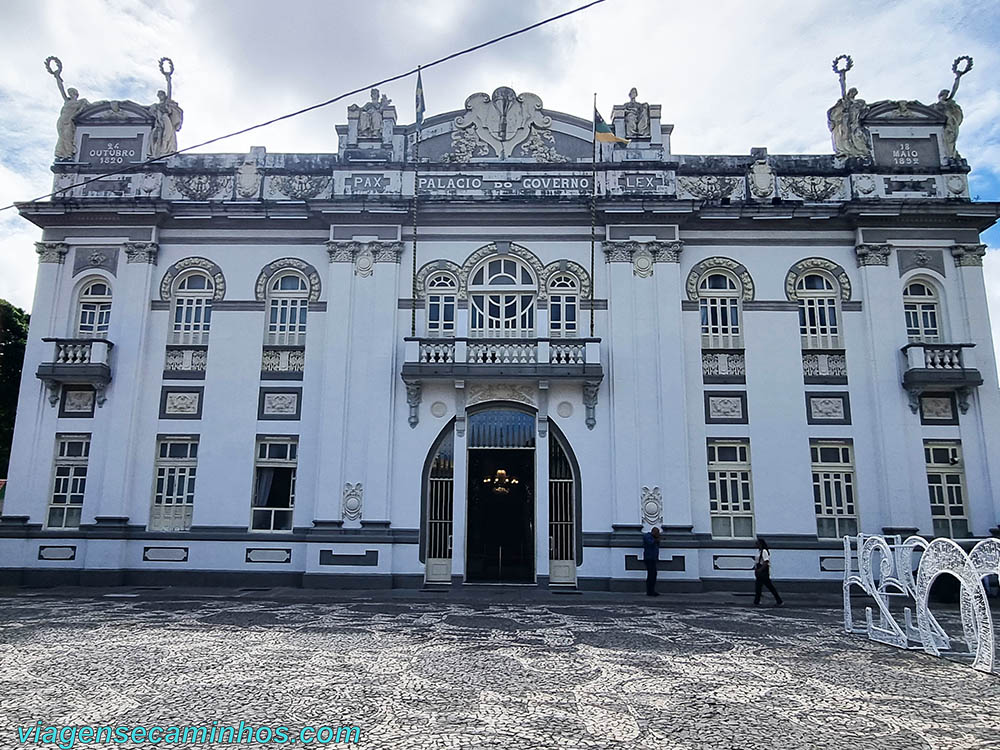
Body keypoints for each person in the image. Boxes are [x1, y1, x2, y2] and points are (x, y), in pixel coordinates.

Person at [753, 537, 783, 607]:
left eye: (757, 543)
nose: (756, 544)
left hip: (763, 572)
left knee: (769, 587)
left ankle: (779, 600)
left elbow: (766, 562)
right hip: (760, 571)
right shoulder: (759, 552)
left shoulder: (764, 551)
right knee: (758, 587)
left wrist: (760, 570)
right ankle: (756, 601)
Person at [642, 526, 661, 596]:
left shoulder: (652, 537)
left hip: (653, 558)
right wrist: (656, 539)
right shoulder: (647, 536)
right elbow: (650, 543)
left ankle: (652, 590)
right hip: (649, 558)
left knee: (653, 575)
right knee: (651, 575)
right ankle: (649, 591)